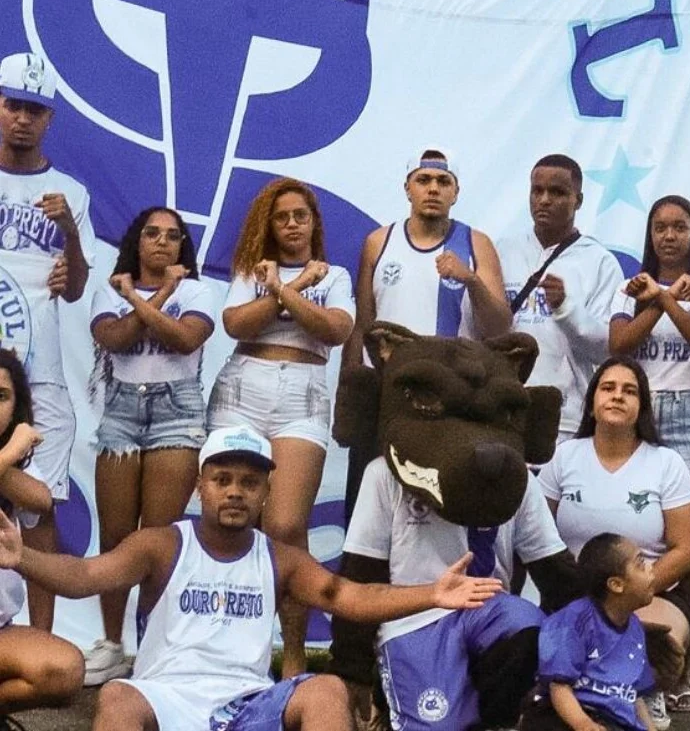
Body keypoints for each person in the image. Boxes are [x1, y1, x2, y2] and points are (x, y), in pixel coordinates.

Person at [0, 424, 501, 731]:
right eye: (222, 480)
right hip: (167, 696)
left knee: (325, 691)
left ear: (265, 491)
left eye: (249, 482)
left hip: (247, 704)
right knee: (115, 696)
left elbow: (346, 595)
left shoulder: (279, 558)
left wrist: (432, 594)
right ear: (201, 486)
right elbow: (86, 574)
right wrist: (23, 556)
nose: (235, 492)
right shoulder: (162, 544)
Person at [207, 177, 355, 678]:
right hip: (243, 387)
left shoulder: (333, 275)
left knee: (287, 525)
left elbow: (335, 330)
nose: (291, 224)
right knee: (232, 518)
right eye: (281, 217)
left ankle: (293, 651)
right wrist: (288, 287)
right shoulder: (255, 270)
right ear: (268, 225)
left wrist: (285, 293)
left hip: (303, 392)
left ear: (314, 222)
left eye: (300, 216)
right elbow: (235, 325)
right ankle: (233, 651)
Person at [333, 455, 571, 731]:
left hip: (489, 609)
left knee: (527, 623)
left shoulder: (515, 476)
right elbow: (362, 570)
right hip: (414, 617)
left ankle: (496, 722)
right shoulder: (386, 473)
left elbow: (554, 570)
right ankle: (392, 697)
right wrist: (352, 667)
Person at [341, 147, 512, 521]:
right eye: (424, 180)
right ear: (408, 188)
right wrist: (349, 391)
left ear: (456, 192)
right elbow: (362, 324)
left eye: (442, 181)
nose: (433, 188)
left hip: (451, 399)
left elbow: (500, 326)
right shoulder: (379, 242)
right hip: (390, 394)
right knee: (372, 500)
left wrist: (470, 279)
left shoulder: (475, 243)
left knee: (443, 503)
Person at [85, 207, 215, 685]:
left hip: (176, 415)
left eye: (173, 236)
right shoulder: (109, 287)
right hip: (120, 413)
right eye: (152, 234)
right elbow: (115, 339)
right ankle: (111, 644)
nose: (162, 242)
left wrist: (143, 297)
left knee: (159, 539)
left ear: (183, 246)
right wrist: (160, 293)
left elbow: (183, 339)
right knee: (117, 537)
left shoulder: (199, 290)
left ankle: (152, 646)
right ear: (136, 242)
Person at [538, 357, 690, 731]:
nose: (617, 396)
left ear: (641, 406)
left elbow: (686, 548)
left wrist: (632, 592)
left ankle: (644, 694)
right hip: (574, 592)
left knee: (653, 636)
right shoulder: (563, 457)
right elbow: (539, 533)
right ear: (592, 401)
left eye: (629, 391)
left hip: (651, 592)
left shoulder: (666, 463)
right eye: (607, 388)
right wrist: (586, 597)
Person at [608, 196, 690, 714]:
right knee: (636, 545)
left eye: (680, 227)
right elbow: (621, 344)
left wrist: (673, 299)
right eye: (660, 227)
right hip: (644, 413)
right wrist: (654, 298)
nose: (670, 236)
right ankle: (626, 665)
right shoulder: (630, 288)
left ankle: (679, 672)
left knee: (683, 556)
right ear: (649, 235)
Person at [0, 51, 96, 631]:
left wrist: (69, 235)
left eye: (34, 110)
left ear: (50, 118)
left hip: (41, 373)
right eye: (14, 104)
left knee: (39, 509)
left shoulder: (71, 193)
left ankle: (41, 637)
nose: (22, 119)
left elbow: (76, 286)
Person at [497, 154, 624, 447]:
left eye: (557, 192)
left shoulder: (600, 262)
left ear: (578, 200)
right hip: (502, 408)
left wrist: (566, 308)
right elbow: (479, 329)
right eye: (536, 190)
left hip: (565, 416)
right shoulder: (502, 251)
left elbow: (609, 348)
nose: (543, 200)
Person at [0, 349, 83, 727]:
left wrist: (9, 458)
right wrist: (12, 450)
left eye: (1, 397)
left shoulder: (12, 478)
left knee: (65, 669)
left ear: (17, 409)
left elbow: (41, 499)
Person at [520, 533, 657, 731]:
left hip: (611, 721)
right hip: (564, 713)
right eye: (641, 563)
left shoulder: (636, 629)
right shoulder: (575, 620)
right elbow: (558, 686)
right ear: (616, 585)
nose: (651, 567)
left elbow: (634, 696)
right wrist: (584, 725)